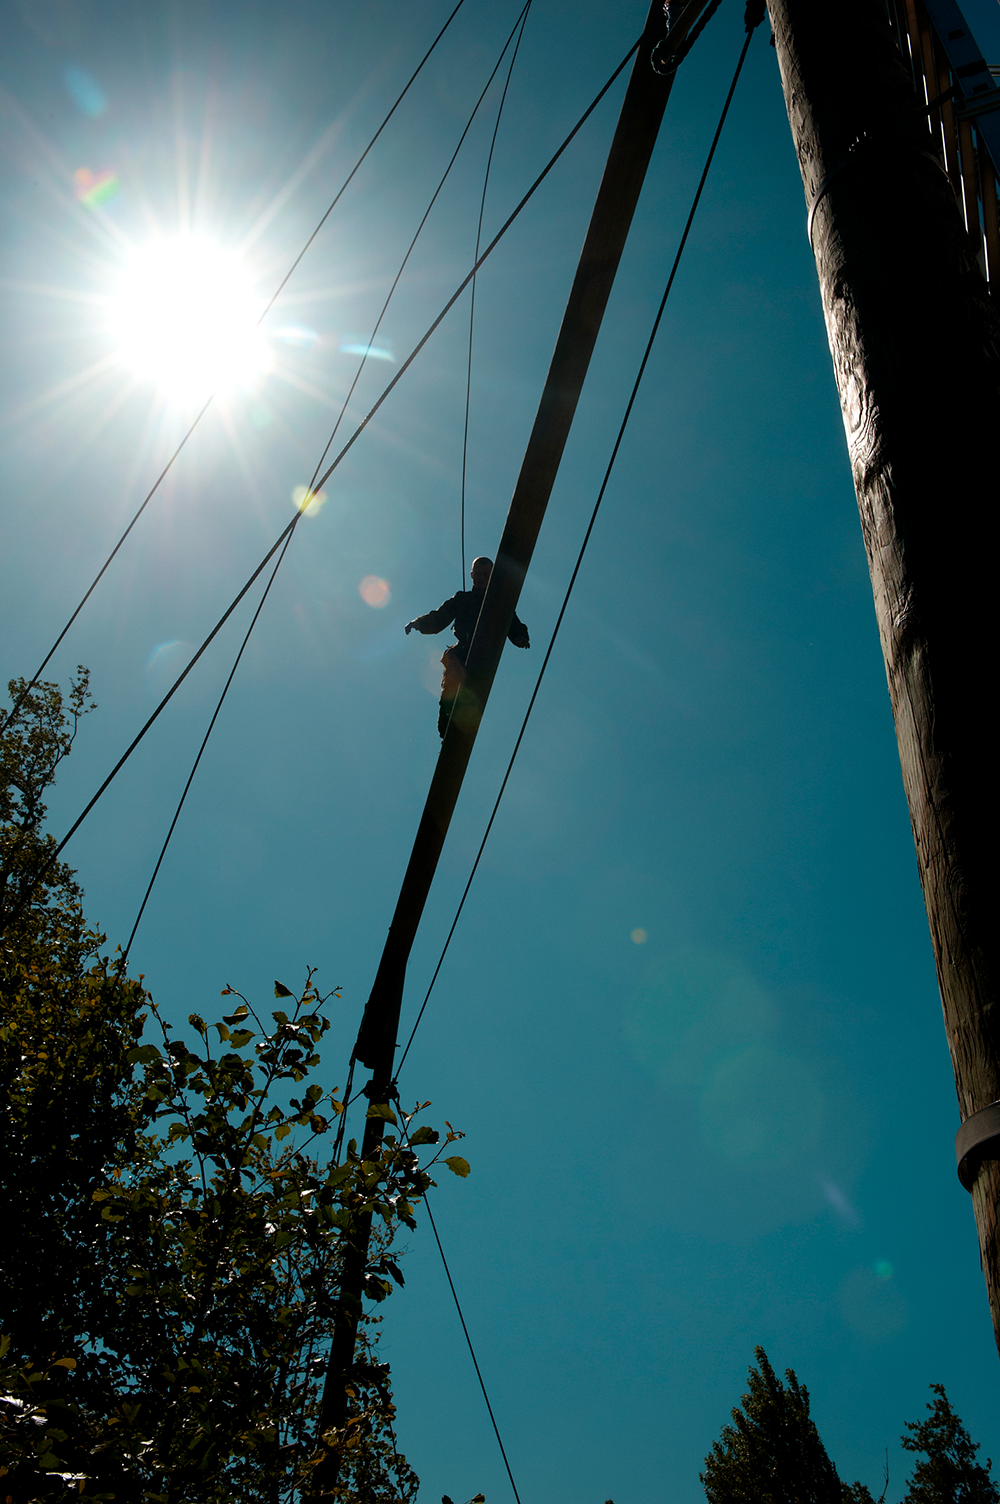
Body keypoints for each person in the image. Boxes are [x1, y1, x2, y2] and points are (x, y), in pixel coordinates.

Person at [405, 556, 529, 737]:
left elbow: (512, 622)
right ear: (472, 575)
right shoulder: (462, 599)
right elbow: (439, 618)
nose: (481, 578)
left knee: (470, 696)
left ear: (491, 576)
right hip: (462, 651)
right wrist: (418, 623)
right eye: (478, 574)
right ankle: (446, 731)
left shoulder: (498, 604)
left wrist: (520, 636)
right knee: (451, 686)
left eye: (486, 575)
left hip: (483, 655)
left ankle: (463, 726)